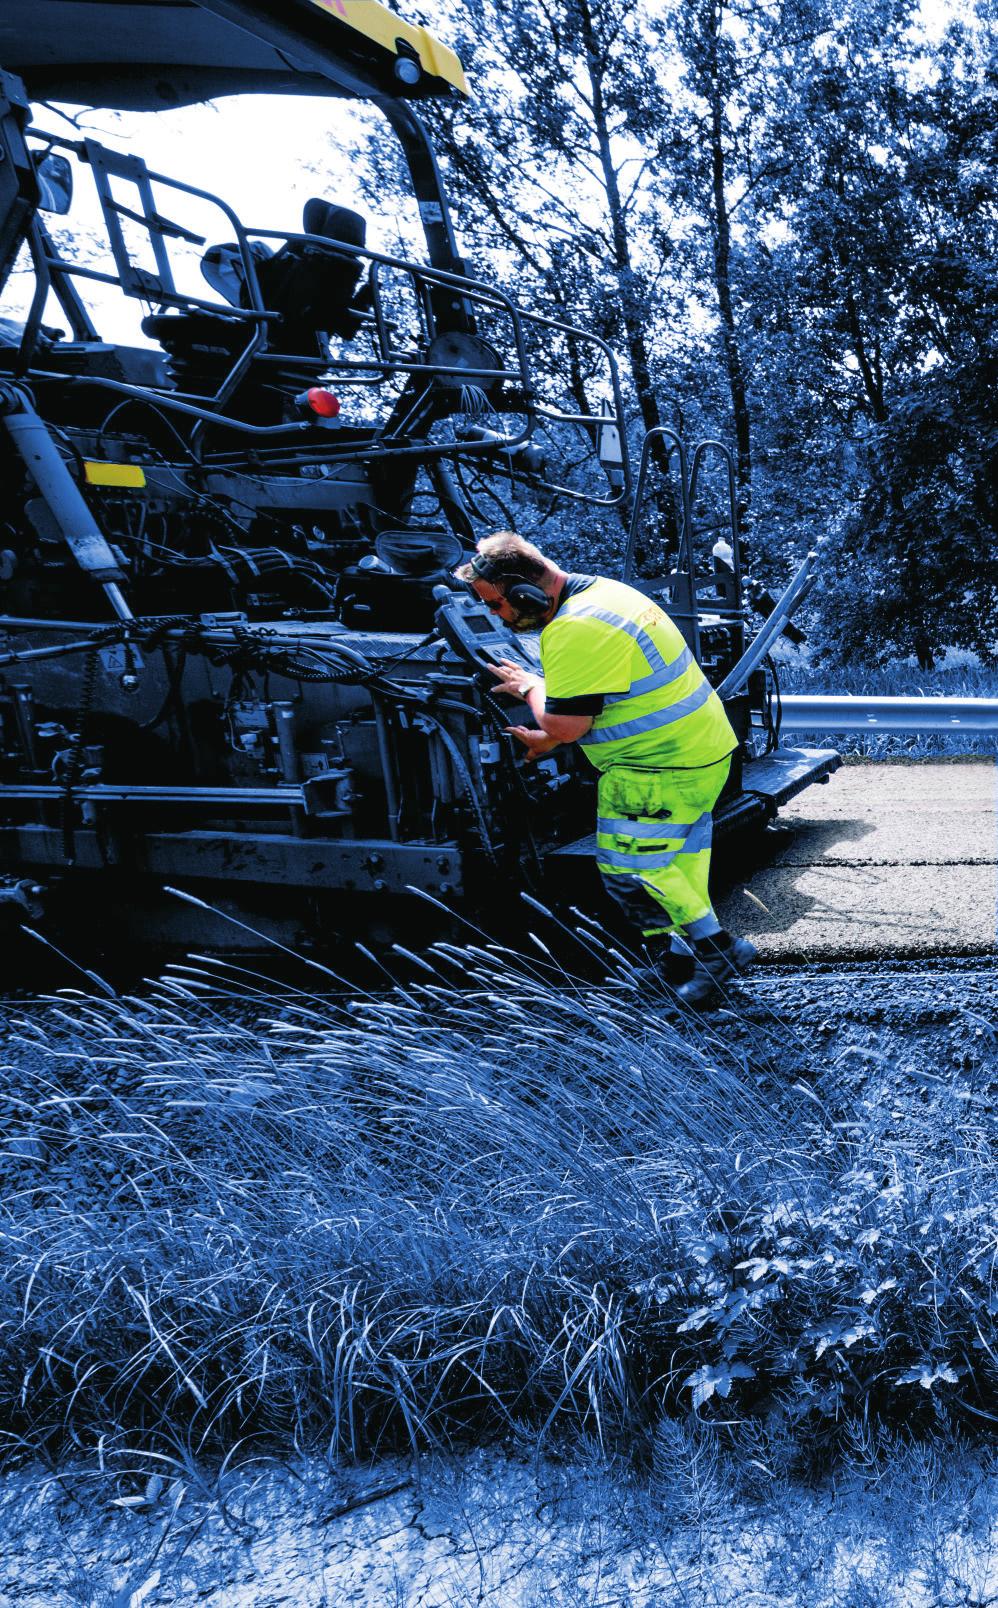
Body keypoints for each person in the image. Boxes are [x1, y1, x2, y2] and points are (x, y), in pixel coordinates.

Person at [455, 531, 757, 1005]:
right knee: (678, 865)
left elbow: (567, 722)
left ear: (525, 593)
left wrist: (532, 690)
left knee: (633, 871)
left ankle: (719, 952)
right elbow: (597, 697)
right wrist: (549, 732)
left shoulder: (574, 628)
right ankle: (677, 960)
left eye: (496, 605)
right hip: (701, 750)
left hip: (657, 767)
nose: (497, 615)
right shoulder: (606, 593)